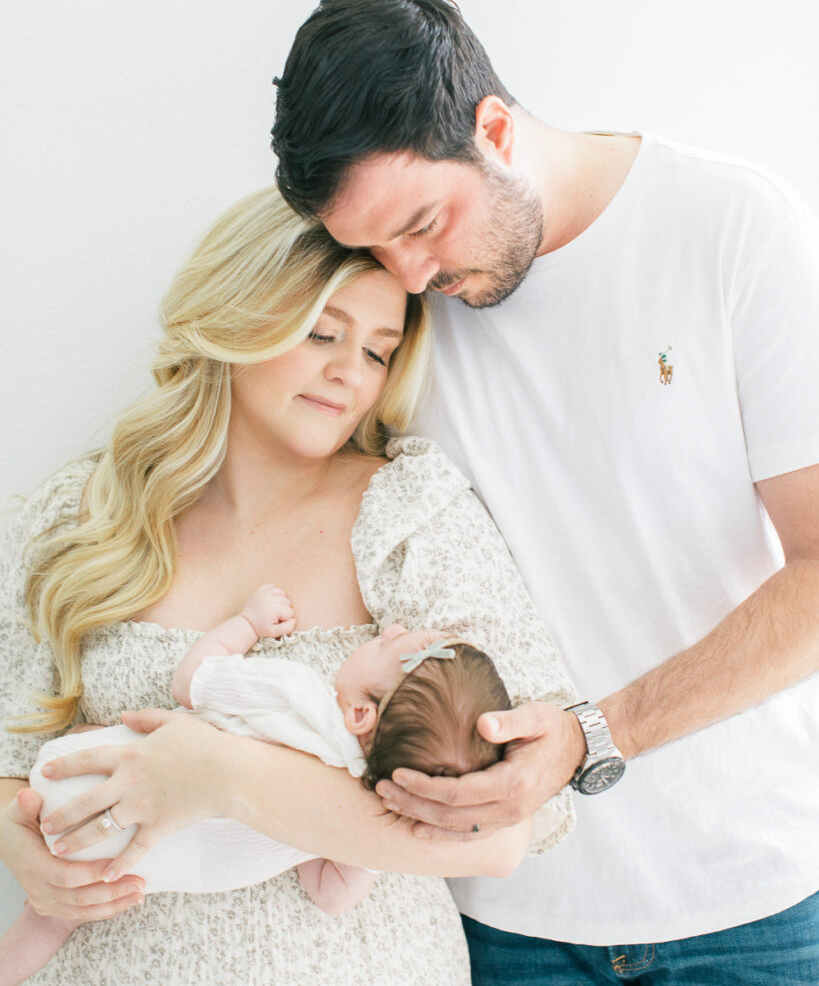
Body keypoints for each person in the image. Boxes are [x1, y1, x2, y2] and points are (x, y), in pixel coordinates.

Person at [268, 0, 819, 985]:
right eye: (376, 250)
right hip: (501, 914)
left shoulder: (732, 231)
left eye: (425, 223)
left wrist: (594, 735)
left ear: (493, 127)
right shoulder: (393, 319)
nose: (413, 272)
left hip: (749, 897)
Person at [0, 184, 576, 986]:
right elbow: (12, 749)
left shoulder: (406, 513)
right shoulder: (84, 513)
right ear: (238, 317)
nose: (350, 374)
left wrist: (228, 780)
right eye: (321, 333)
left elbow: (504, 829)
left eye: (377, 351)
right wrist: (21, 848)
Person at [2, 579, 513, 985]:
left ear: (359, 712)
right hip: (152, 867)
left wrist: (247, 624)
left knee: (98, 761)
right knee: (55, 919)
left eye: (399, 647)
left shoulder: (299, 695)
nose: (394, 628)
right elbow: (329, 894)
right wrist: (376, 852)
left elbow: (192, 680)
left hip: (76, 791)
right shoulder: (355, 806)